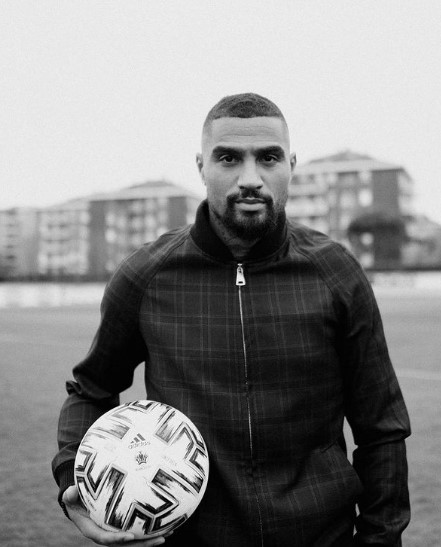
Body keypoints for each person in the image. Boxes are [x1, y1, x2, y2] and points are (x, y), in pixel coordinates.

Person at [52, 92, 411, 546]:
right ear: (202, 166)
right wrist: (73, 479)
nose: (250, 178)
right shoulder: (147, 275)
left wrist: (380, 540)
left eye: (268, 158)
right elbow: (91, 389)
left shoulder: (335, 272)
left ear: (291, 165)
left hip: (323, 536)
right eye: (228, 158)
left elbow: (382, 429)